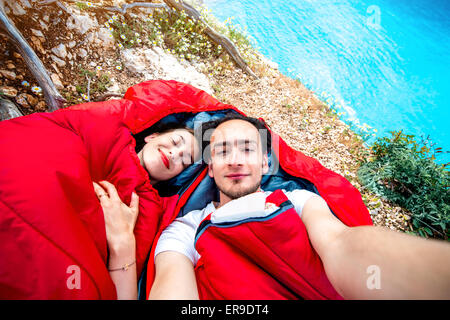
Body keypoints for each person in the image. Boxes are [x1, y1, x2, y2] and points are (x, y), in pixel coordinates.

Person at [102, 114, 450, 300]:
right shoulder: (183, 231)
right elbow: (173, 286)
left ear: (266, 164)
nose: (235, 160)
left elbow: (341, 244)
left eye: (248, 150)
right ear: (209, 168)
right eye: (222, 151)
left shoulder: (299, 202)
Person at [92, 124, 200, 300]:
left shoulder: (151, 210)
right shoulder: (109, 139)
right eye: (175, 141)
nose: (174, 154)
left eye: (184, 160)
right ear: (152, 136)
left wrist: (123, 239)